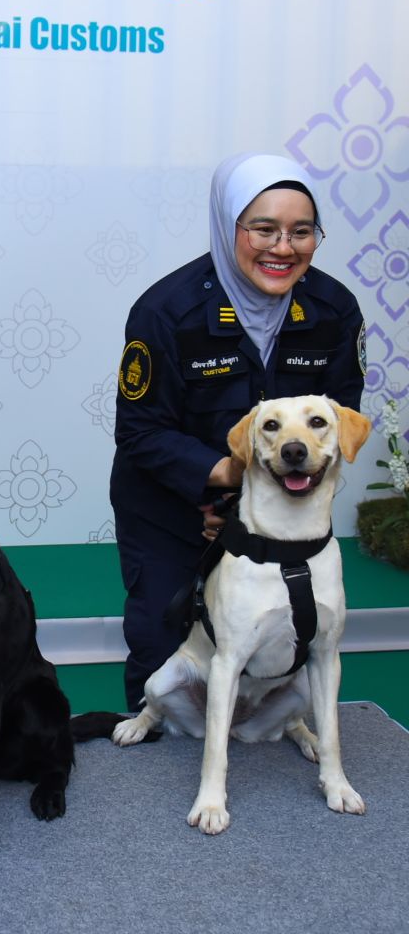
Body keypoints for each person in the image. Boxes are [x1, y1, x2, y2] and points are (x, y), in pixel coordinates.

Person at [111, 152, 366, 710]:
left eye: (301, 231)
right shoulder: (167, 311)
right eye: (264, 230)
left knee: (279, 655)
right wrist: (228, 482)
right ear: (229, 226)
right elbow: (141, 433)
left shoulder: (334, 311)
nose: (283, 248)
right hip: (173, 517)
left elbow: (338, 424)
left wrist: (251, 503)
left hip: (277, 518)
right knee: (167, 660)